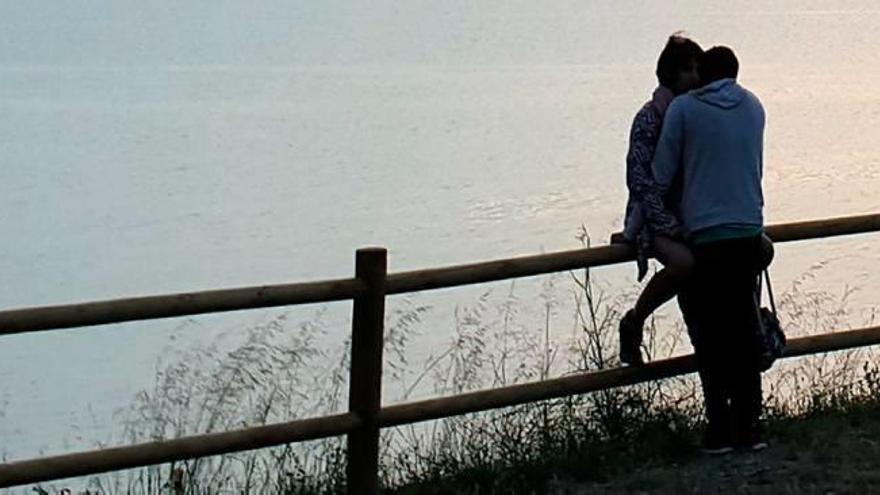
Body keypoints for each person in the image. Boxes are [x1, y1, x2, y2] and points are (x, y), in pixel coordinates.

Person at [652, 46, 768, 453]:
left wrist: (647, 222)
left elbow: (661, 174)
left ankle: (718, 428)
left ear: (705, 75)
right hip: (749, 232)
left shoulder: (684, 110)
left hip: (706, 237)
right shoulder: (754, 106)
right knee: (743, 330)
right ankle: (750, 425)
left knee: (710, 335)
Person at [617, 34, 703, 365]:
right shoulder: (650, 117)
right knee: (685, 264)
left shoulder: (695, 115)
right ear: (670, 74)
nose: (694, 77)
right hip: (652, 219)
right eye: (687, 70)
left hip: (690, 216)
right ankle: (635, 320)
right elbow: (639, 180)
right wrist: (668, 223)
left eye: (698, 69)